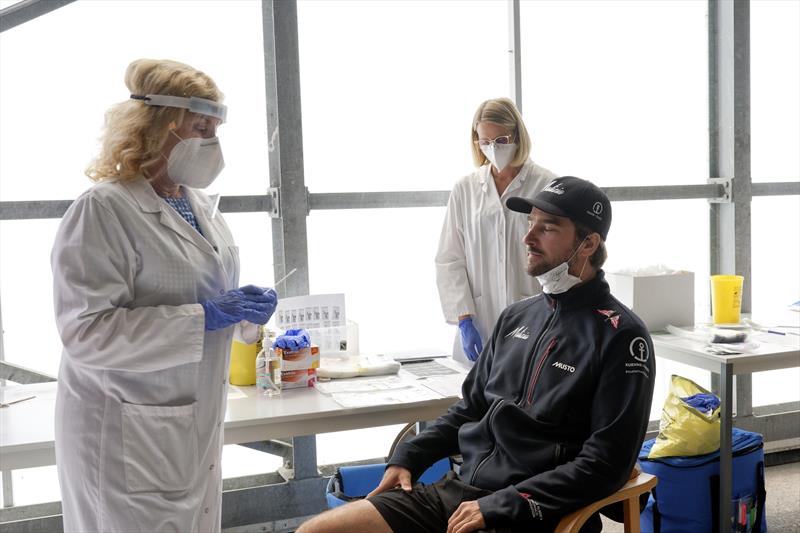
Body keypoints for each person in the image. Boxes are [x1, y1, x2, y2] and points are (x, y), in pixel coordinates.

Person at [298, 177, 655, 533]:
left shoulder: (621, 336)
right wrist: (410, 456)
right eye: (530, 223)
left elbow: (605, 463)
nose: (528, 238)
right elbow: (470, 409)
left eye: (547, 228)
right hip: (460, 495)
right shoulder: (517, 316)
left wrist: (503, 504)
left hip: (533, 512)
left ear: (588, 243)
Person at [51, 59, 278, 533]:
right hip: (123, 431)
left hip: (186, 424)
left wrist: (247, 317)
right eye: (201, 127)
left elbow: (205, 296)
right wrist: (204, 317)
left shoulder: (199, 207)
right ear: (159, 125)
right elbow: (86, 333)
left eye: (216, 128)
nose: (212, 141)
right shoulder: (104, 209)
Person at [436, 97, 556, 364]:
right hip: (481, 320)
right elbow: (449, 258)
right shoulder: (465, 188)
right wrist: (464, 318)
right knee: (476, 400)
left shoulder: (546, 184)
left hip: (536, 318)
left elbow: (559, 258)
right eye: (485, 141)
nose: (493, 148)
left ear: (517, 135)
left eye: (501, 140)